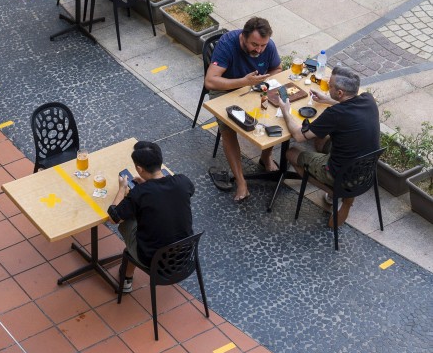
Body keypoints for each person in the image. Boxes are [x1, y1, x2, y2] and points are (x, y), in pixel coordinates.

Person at [276, 65, 379, 226]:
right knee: (319, 140)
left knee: (291, 153)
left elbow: (298, 135)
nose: (327, 87)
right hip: (366, 169)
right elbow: (347, 106)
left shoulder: (335, 114)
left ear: (340, 93)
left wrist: (285, 111)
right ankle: (342, 195)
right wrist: (327, 100)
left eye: (329, 86)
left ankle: (341, 196)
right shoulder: (368, 99)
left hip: (341, 175)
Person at [204, 17, 282, 202]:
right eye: (255, 44)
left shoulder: (267, 45)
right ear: (243, 37)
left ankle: (266, 156)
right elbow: (210, 81)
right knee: (228, 130)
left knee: (273, 114)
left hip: (254, 86)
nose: (259, 49)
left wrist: (259, 83)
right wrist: (244, 82)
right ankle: (241, 181)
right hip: (225, 90)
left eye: (263, 45)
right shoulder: (227, 45)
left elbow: (277, 68)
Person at [107, 140, 195, 294]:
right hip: (185, 256)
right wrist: (148, 184)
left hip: (154, 261)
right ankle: (127, 274)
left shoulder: (139, 194)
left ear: (139, 169)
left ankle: (126, 279)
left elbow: (113, 218)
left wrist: (122, 189)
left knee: (127, 221)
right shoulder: (182, 181)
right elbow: (177, 193)